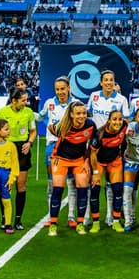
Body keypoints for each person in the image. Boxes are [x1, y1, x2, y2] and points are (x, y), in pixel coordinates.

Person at [86, 69, 129, 226]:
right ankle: (88, 217)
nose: (109, 82)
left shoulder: (122, 99)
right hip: (96, 145)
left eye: (112, 80)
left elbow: (126, 119)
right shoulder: (94, 96)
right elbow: (88, 114)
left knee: (113, 186)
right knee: (94, 184)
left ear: (114, 82)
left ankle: (111, 216)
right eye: (106, 80)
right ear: (101, 82)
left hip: (113, 146)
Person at [46, 101, 94, 237]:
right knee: (58, 189)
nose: (82, 116)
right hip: (60, 159)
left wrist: (87, 160)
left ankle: (79, 223)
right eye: (78, 113)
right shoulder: (62, 126)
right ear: (71, 114)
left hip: (79, 160)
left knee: (82, 186)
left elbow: (92, 145)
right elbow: (50, 127)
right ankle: (53, 224)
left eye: (84, 113)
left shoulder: (90, 125)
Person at [0, 87, 37, 230]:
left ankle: (18, 220)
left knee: (21, 185)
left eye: (26, 100)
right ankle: (5, 219)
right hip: (6, 149)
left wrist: (29, 143)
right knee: (5, 186)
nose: (26, 103)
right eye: (23, 100)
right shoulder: (2, 112)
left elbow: (33, 131)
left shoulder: (28, 112)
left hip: (22, 149)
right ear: (14, 101)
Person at [37, 76, 78, 228]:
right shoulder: (49, 103)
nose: (60, 92)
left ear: (69, 88)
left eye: (63, 88)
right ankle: (51, 216)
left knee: (71, 182)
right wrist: (25, 111)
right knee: (52, 183)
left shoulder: (75, 104)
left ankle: (71, 216)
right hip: (52, 147)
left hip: (70, 147)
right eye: (57, 89)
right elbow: (40, 117)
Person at [90, 109, 128, 233]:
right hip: (99, 162)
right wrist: (95, 173)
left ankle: (116, 221)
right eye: (114, 119)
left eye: (119, 119)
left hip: (114, 162)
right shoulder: (100, 134)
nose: (118, 122)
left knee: (118, 189)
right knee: (95, 190)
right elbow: (93, 154)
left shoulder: (124, 126)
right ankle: (95, 223)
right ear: (109, 121)